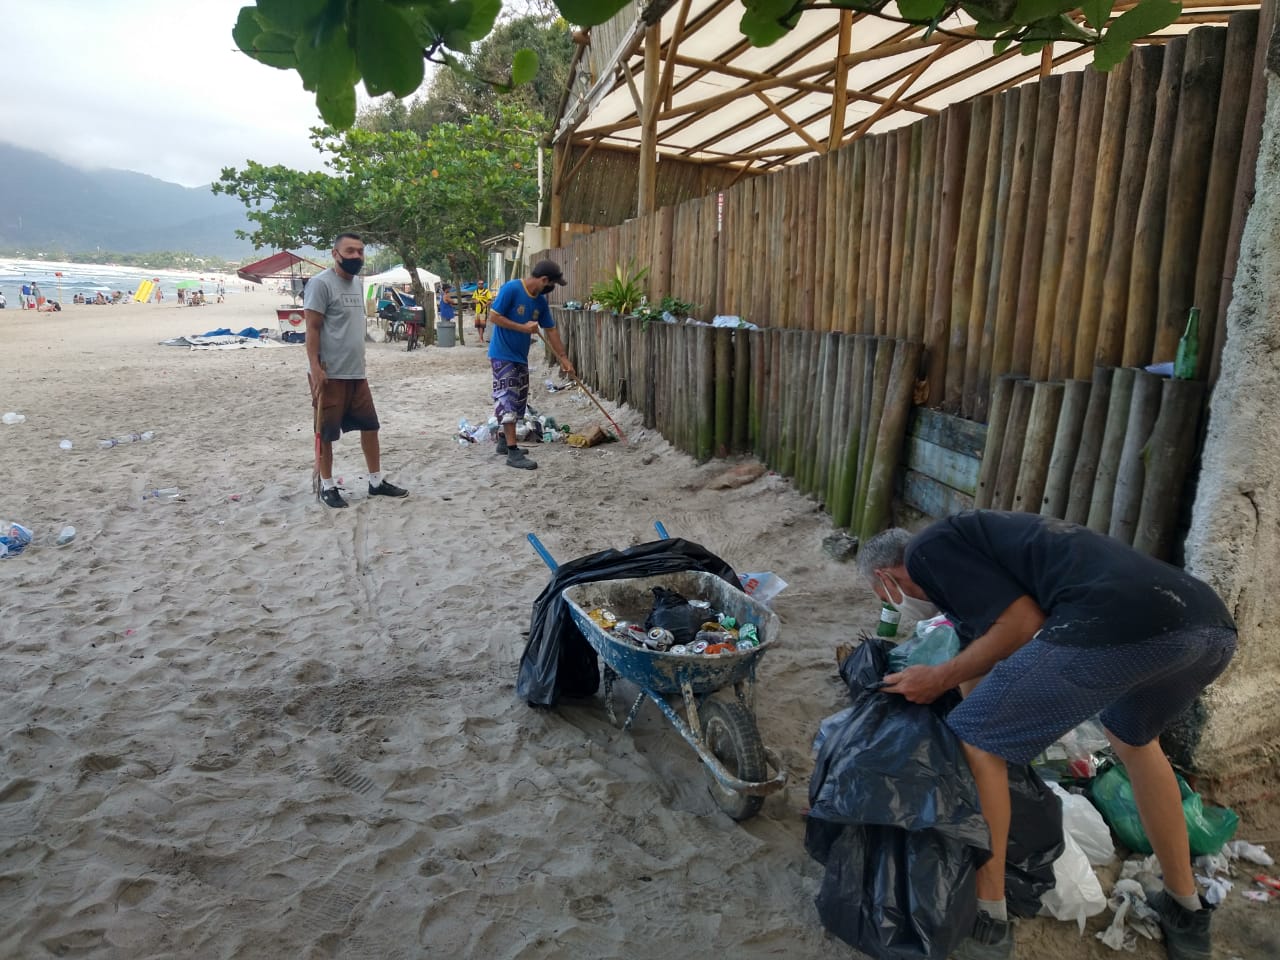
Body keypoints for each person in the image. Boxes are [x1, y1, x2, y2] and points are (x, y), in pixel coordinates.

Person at [856, 511, 1235, 960]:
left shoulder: (926, 552)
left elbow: (1020, 624)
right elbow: (986, 661)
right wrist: (956, 698)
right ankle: (1185, 908)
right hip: (1205, 626)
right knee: (1134, 742)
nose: (890, 606)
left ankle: (988, 919)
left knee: (977, 743)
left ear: (885, 578)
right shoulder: (969, 567)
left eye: (883, 597)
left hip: (1121, 621)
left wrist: (937, 681)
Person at [304, 231, 409, 508]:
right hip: (329, 372)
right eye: (350, 251)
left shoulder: (357, 285)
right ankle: (327, 486)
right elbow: (312, 329)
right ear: (335, 254)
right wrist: (315, 368)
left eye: (360, 251)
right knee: (326, 432)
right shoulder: (320, 284)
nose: (356, 256)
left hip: (356, 372)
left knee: (370, 426)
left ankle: (375, 482)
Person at [486, 260, 574, 470]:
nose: (550, 289)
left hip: (520, 356)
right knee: (507, 399)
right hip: (502, 354)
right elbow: (494, 316)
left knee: (519, 402)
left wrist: (563, 357)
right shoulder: (512, 289)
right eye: (550, 284)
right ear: (544, 280)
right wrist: (522, 328)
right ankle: (513, 452)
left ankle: (503, 441)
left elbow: (550, 329)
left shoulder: (540, 302)